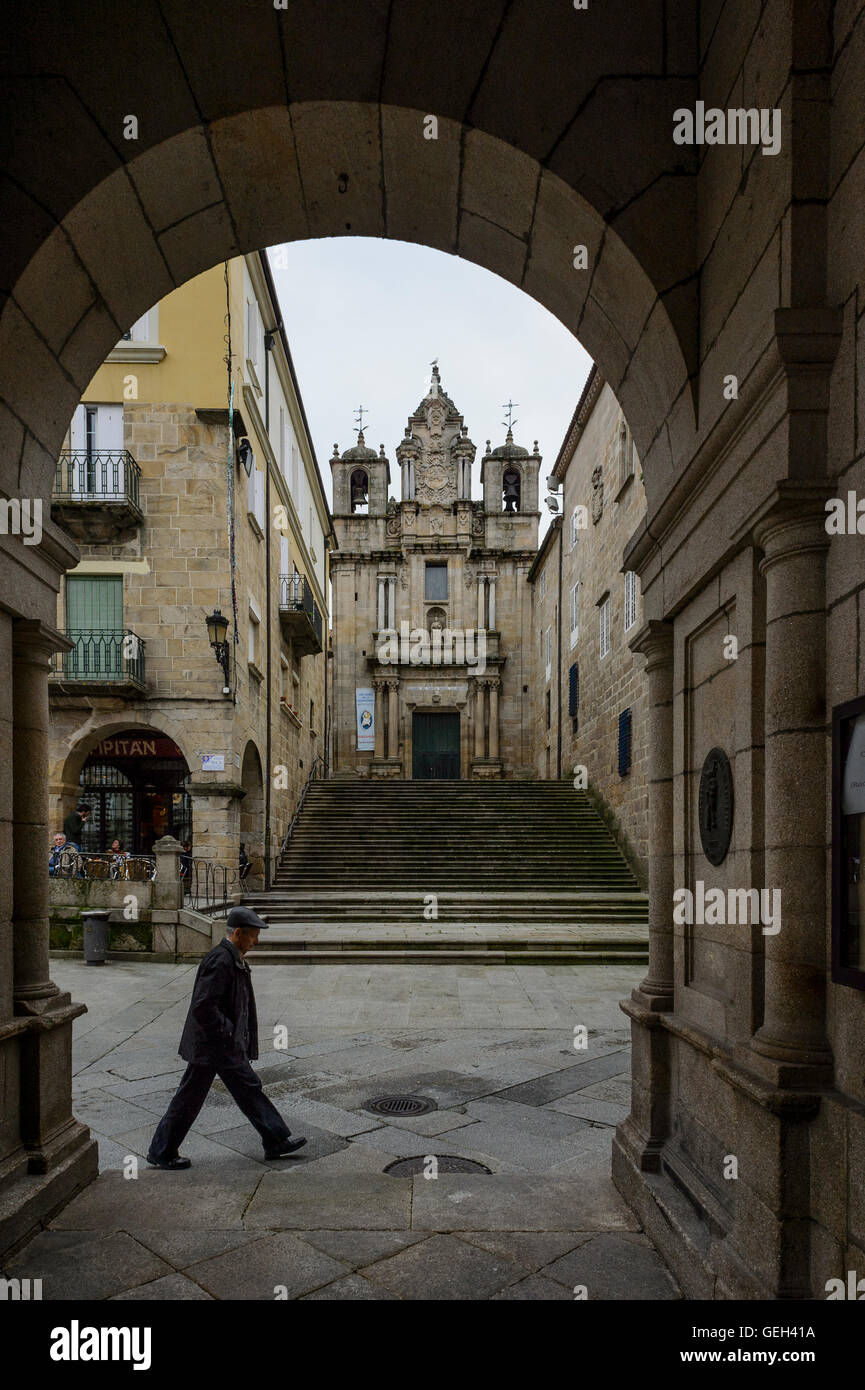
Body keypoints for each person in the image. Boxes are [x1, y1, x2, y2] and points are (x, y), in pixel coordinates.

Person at [146, 905, 305, 1169]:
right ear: (238, 933)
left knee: (246, 1089)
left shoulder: (232, 957)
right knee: (195, 1096)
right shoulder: (220, 960)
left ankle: (275, 1139)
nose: (256, 941)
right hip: (214, 1046)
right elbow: (203, 1006)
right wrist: (228, 1031)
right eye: (253, 935)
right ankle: (161, 1150)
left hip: (220, 1045)